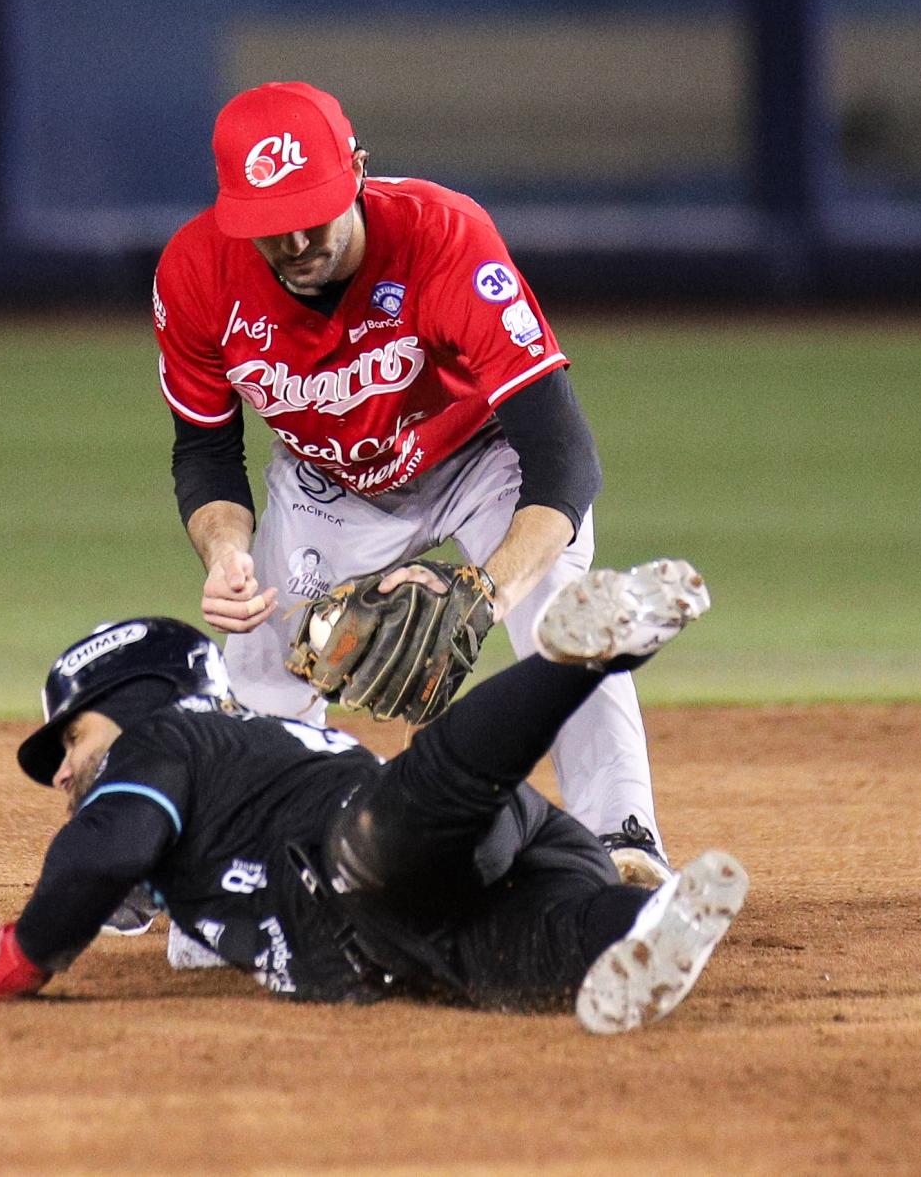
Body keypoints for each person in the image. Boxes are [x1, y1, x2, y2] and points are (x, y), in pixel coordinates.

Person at [153, 80, 671, 884]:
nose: (294, 240)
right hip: (329, 480)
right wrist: (225, 552)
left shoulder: (443, 237)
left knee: (568, 615)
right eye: (268, 225)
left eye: (311, 210)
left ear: (356, 169)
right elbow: (206, 449)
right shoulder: (196, 273)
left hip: (481, 458)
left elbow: (565, 457)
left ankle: (624, 836)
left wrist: (484, 591)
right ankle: (254, 859)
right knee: (258, 655)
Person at [0, 558, 747, 1034]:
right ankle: (646, 922)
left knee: (412, 811)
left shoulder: (164, 741)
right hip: (458, 886)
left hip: (381, 852)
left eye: (72, 741)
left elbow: (103, 853)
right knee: (516, 959)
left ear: (138, 702)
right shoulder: (230, 766)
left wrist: (11, 959)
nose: (66, 774)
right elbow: (125, 883)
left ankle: (574, 661)